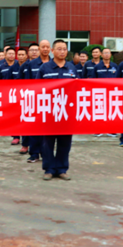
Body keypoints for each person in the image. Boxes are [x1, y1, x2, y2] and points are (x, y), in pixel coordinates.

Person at [36, 39, 78, 181]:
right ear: (52, 51)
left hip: (66, 112)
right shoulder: (44, 68)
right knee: (47, 142)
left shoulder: (72, 68)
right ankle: (49, 169)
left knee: (65, 142)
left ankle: (61, 169)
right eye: (59, 49)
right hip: (49, 111)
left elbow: (78, 88)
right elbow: (37, 88)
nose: (62, 51)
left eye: (64, 49)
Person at [23, 40, 51, 162]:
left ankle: (46, 153)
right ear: (39, 49)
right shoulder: (32, 64)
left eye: (47, 47)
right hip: (35, 100)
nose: (45, 49)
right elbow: (27, 82)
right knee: (34, 128)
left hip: (50, 101)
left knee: (48, 130)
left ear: (50, 49)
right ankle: (34, 153)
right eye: (42, 47)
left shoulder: (54, 63)